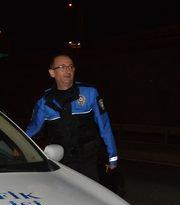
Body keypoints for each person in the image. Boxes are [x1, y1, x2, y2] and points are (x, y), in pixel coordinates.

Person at [26, 53, 118, 181]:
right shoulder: (44, 101)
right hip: (62, 161)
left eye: (71, 66)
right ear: (52, 73)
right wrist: (18, 146)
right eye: (62, 67)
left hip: (88, 159)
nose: (68, 70)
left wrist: (112, 156)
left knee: (90, 196)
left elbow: (104, 125)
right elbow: (33, 130)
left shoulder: (89, 93)